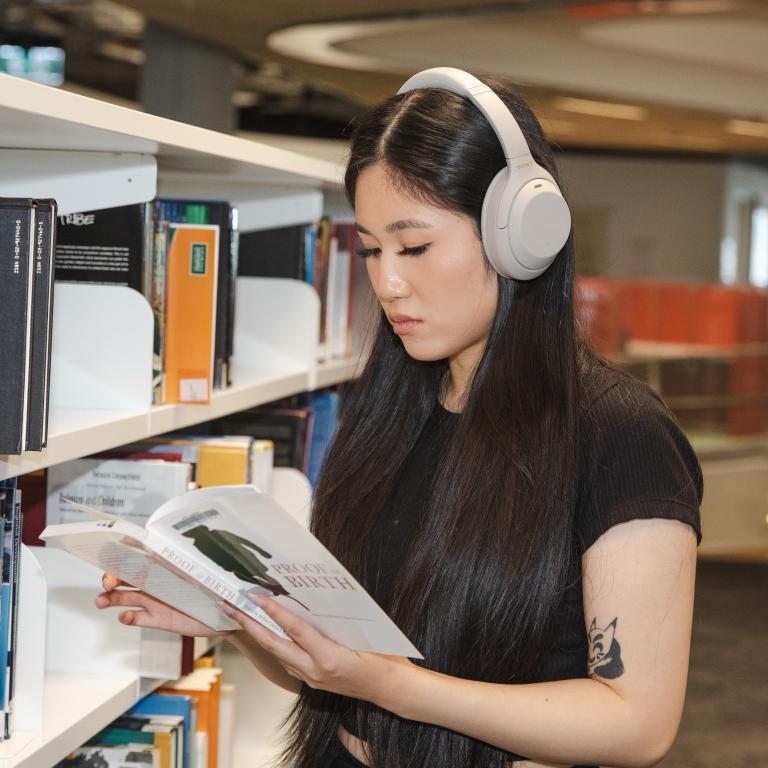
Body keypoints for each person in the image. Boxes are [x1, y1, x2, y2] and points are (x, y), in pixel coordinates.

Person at [95, 67, 703, 768]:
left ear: (520, 236)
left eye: (414, 247)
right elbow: (329, 677)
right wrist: (239, 622)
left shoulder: (620, 434)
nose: (387, 283)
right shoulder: (389, 411)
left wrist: (395, 688)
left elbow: (638, 725)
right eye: (373, 250)